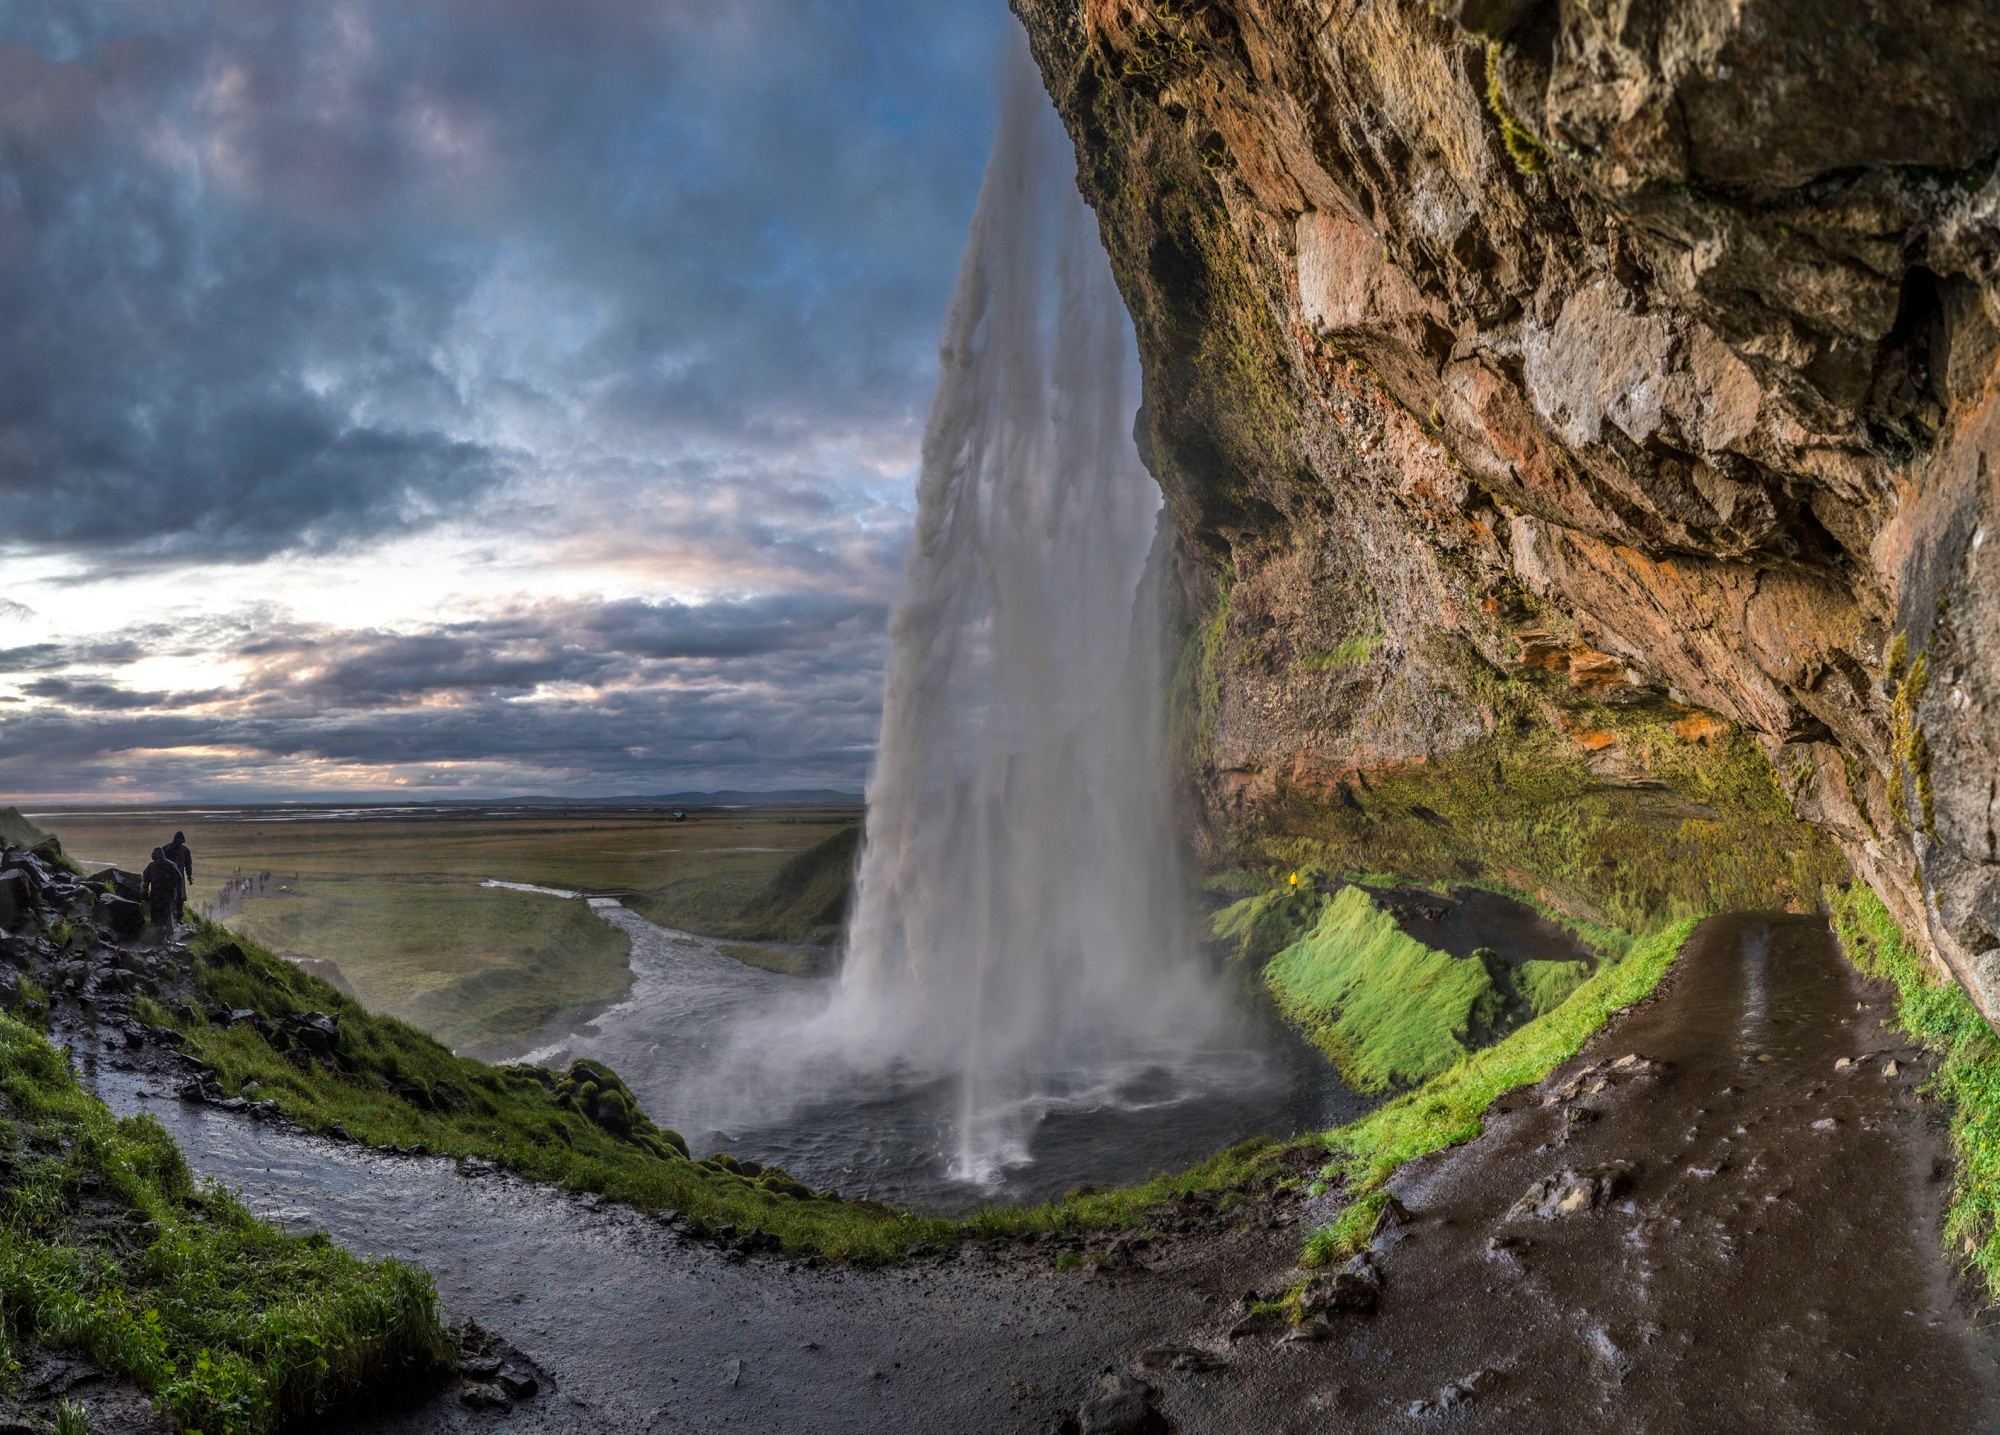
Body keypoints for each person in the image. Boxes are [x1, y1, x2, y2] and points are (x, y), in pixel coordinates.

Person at [140, 846, 186, 933]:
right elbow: (145, 878)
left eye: (159, 858)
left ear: (162, 857)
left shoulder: (171, 866)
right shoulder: (151, 866)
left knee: (167, 914)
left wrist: (180, 894)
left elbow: (179, 880)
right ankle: (159, 935)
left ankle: (170, 935)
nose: (158, 860)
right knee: (156, 916)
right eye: (156, 859)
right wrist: (144, 890)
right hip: (156, 895)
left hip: (168, 895)